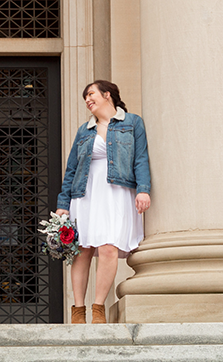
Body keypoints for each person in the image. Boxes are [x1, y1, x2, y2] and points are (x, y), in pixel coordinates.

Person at [55, 80, 151, 324]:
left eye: (91, 94)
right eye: (85, 96)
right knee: (82, 251)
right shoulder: (84, 130)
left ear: (108, 95)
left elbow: (140, 158)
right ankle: (78, 311)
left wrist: (143, 189)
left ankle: (98, 307)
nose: (87, 99)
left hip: (117, 194)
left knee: (108, 248)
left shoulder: (132, 123)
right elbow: (72, 169)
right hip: (86, 194)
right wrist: (63, 203)